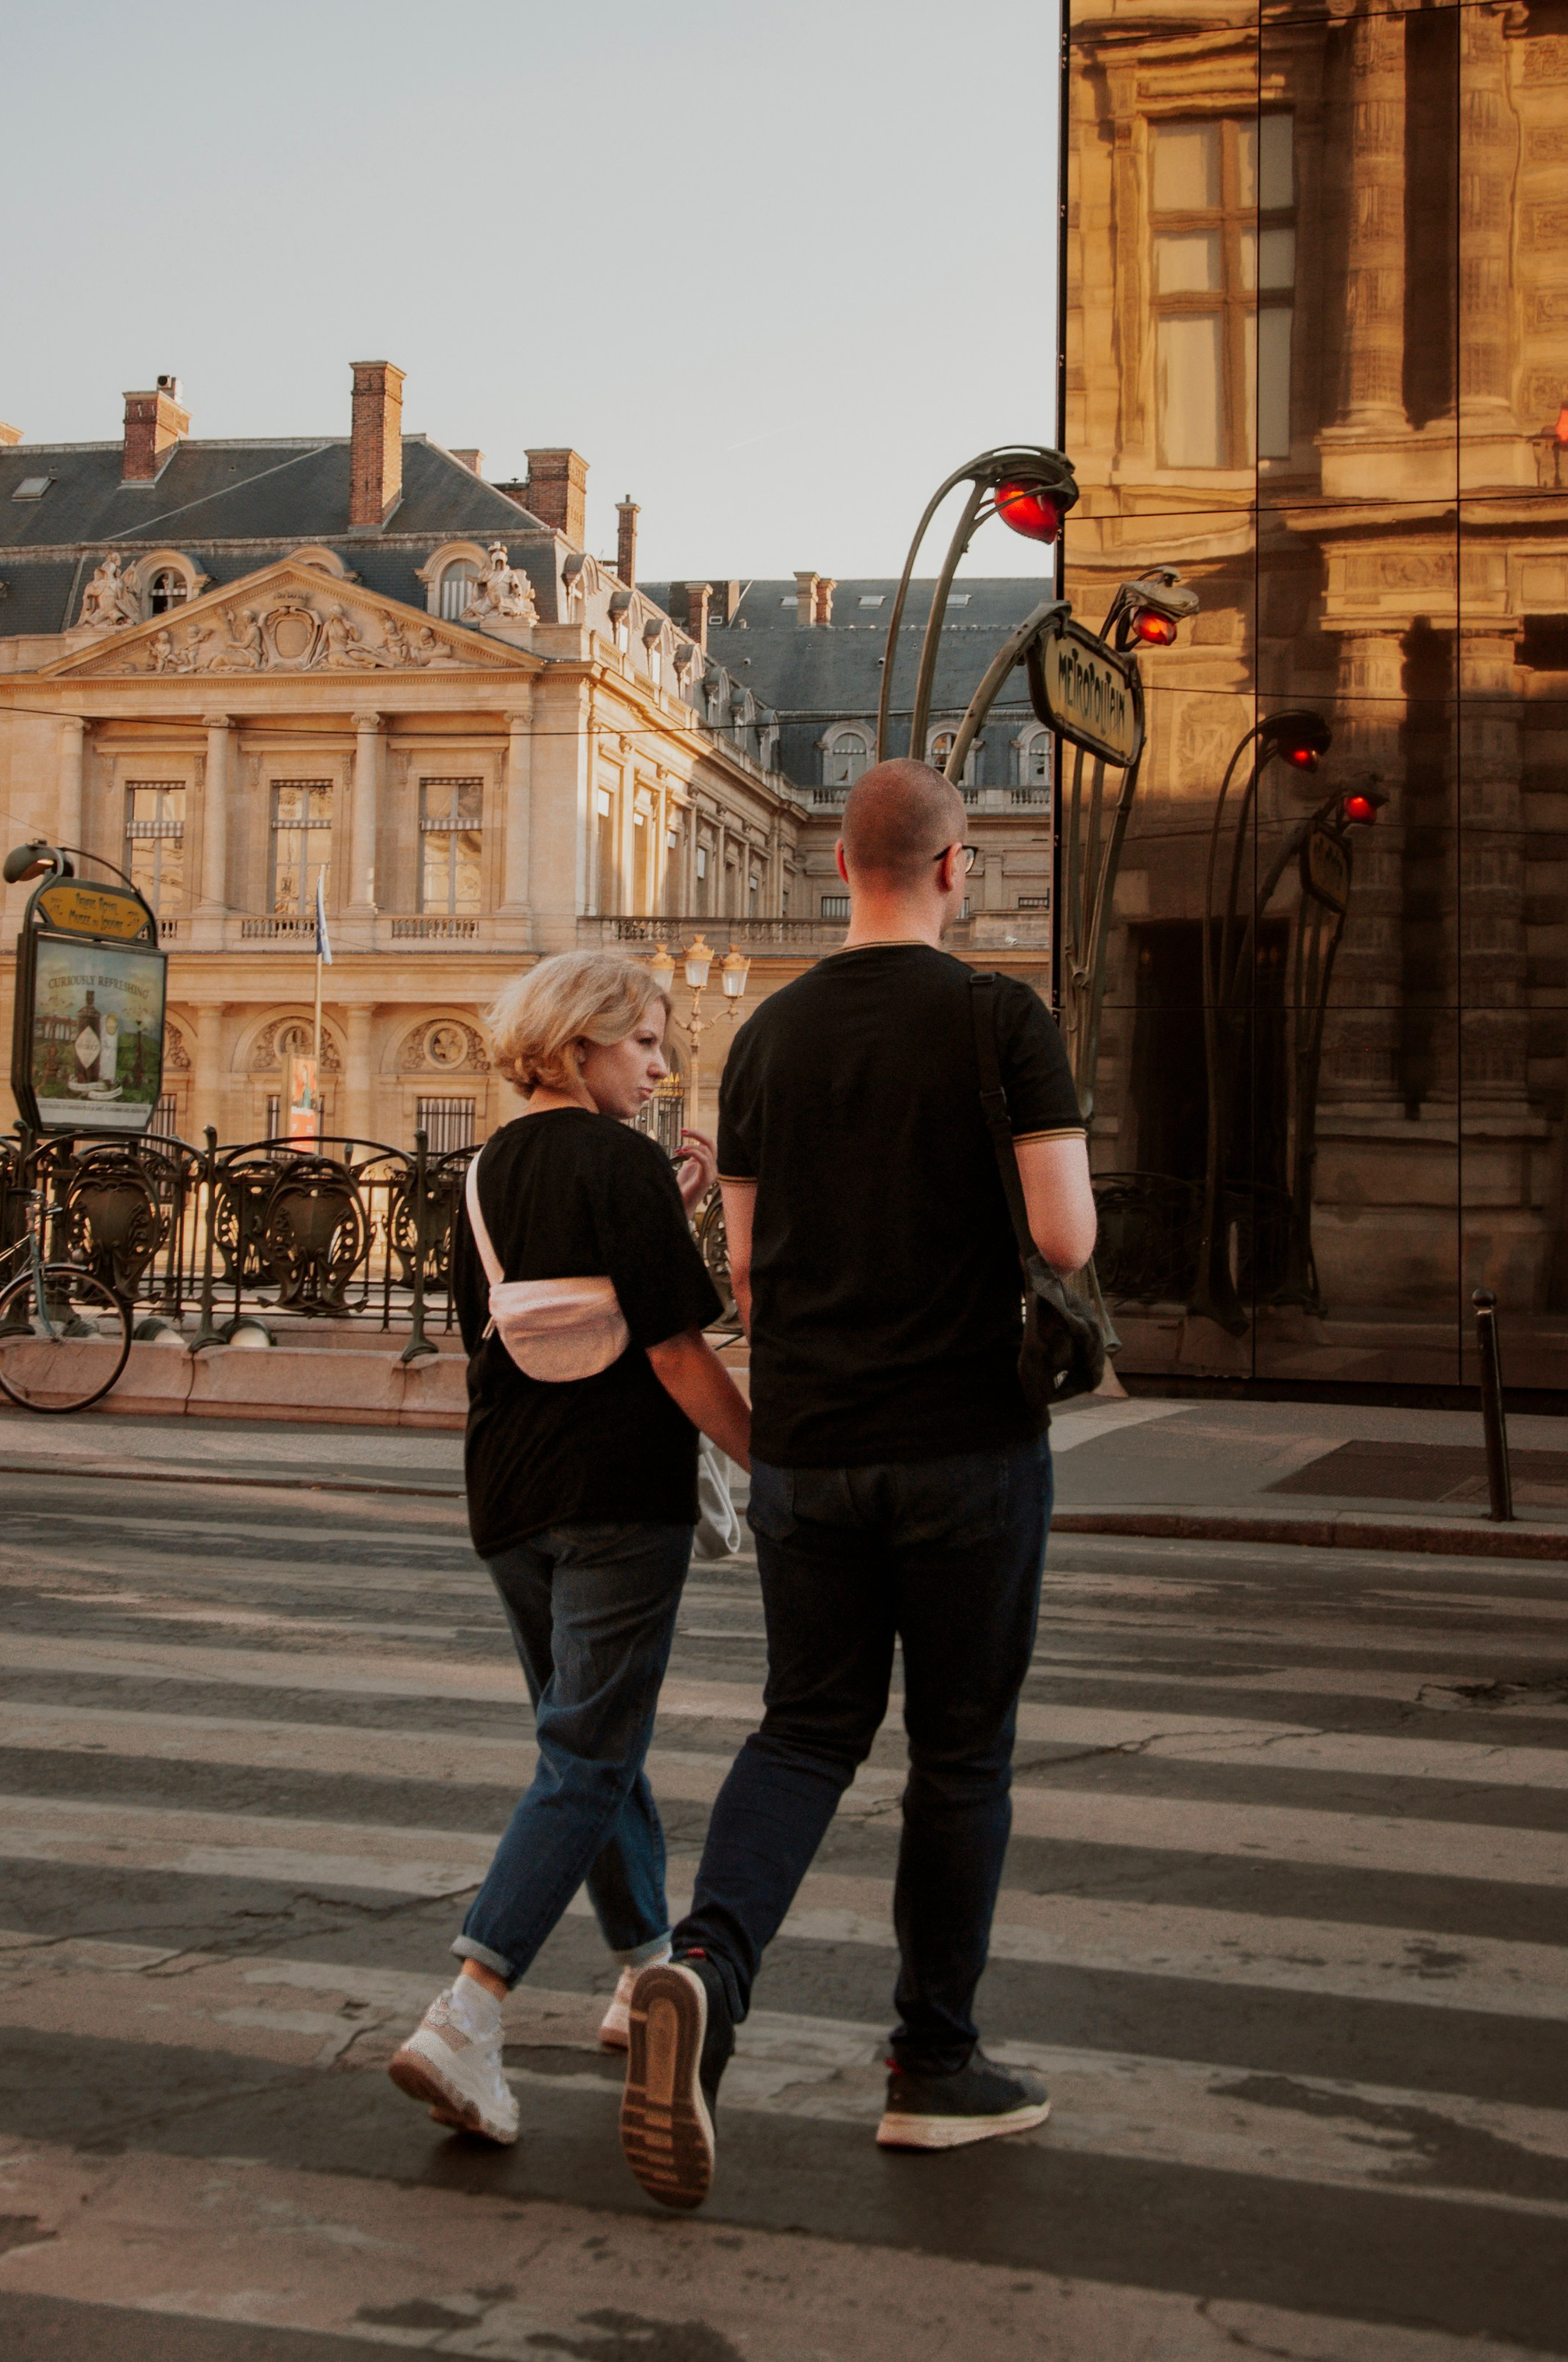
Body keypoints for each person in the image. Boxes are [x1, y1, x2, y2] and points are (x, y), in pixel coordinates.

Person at [619, 758, 1096, 2210]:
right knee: (959, 1753)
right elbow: (1065, 1240)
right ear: (959, 870)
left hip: (811, 1448)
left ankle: (706, 1971)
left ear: (839, 865)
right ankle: (931, 2068)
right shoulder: (1002, 1021)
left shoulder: (761, 1037)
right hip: (965, 1443)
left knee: (806, 1727)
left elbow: (746, 1275)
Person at [388, 949, 752, 2146]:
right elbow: (678, 1349)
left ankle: (645, 1973)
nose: (661, 1066)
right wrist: (775, 1465)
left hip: (509, 1498)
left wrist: (670, 1208)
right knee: (587, 1754)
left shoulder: (487, 1170)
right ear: (584, 1041)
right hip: (616, 1497)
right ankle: (468, 2013)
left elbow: (482, 1327)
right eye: (646, 1043)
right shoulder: (623, 1161)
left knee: (592, 1743)